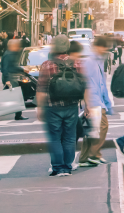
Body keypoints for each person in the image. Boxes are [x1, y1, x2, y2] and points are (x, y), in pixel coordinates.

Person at [37, 35, 86, 176]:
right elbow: (85, 86)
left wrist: (40, 108)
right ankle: (68, 165)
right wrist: (87, 105)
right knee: (70, 137)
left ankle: (58, 167)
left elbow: (41, 88)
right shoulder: (78, 63)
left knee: (55, 137)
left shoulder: (47, 64)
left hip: (52, 107)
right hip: (72, 106)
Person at [79, 37, 115, 166]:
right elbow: (85, 83)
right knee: (102, 127)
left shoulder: (98, 60)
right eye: (104, 47)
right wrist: (87, 103)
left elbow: (102, 83)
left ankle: (84, 158)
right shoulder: (89, 61)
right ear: (98, 47)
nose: (105, 50)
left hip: (97, 100)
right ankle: (93, 154)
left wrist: (107, 102)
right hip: (93, 100)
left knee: (92, 130)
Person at [1, 38, 27, 120]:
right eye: (17, 45)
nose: (18, 47)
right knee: (17, 96)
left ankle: (18, 115)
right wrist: (7, 80)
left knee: (9, 97)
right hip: (10, 77)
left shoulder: (11, 53)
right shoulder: (8, 54)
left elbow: (13, 67)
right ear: (12, 46)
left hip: (11, 77)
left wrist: (22, 70)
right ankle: (18, 115)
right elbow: (4, 68)